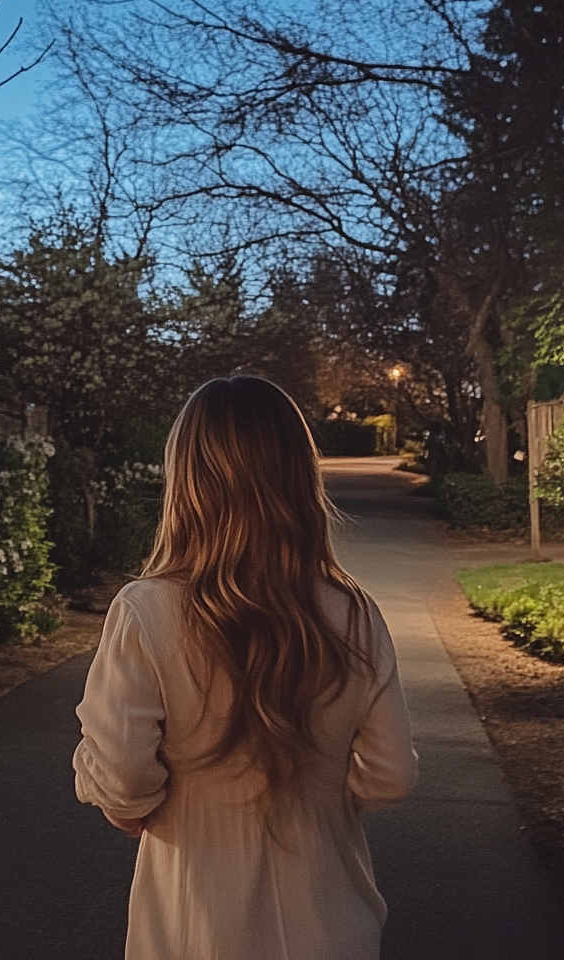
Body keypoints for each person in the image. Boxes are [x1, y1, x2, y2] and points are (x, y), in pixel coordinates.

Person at [73, 375, 418, 960]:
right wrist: (319, 800)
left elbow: (124, 777)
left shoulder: (146, 611)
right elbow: (392, 775)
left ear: (186, 479)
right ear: (300, 476)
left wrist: (127, 804)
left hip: (195, 925)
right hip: (331, 920)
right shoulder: (353, 611)